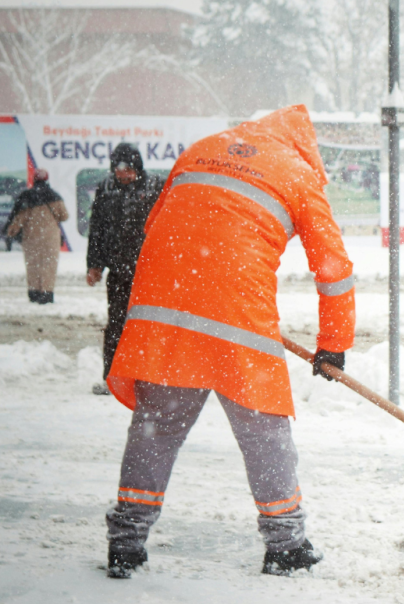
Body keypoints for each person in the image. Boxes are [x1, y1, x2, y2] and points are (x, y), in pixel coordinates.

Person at [101, 106, 355, 578]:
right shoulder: (297, 173)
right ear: (304, 145)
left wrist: (194, 291)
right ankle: (285, 544)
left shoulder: (201, 150)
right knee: (265, 431)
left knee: (155, 430)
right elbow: (335, 270)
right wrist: (334, 343)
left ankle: (126, 543)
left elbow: (155, 227)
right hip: (236, 309)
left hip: (166, 301)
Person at [85, 144, 165, 396]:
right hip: (118, 270)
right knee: (117, 325)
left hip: (149, 270)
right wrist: (94, 264)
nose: (123, 174)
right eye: (119, 169)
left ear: (138, 168)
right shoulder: (106, 188)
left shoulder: (155, 187)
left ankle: (151, 379)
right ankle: (112, 378)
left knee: (150, 325)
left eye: (129, 169)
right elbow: (96, 228)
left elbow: (169, 225)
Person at [4, 168, 68, 304]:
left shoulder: (27, 197)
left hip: (31, 238)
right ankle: (47, 293)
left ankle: (34, 293)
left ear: (34, 180)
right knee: (49, 265)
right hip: (51, 238)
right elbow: (64, 216)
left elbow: (18, 219)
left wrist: (10, 232)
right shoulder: (55, 197)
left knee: (33, 265)